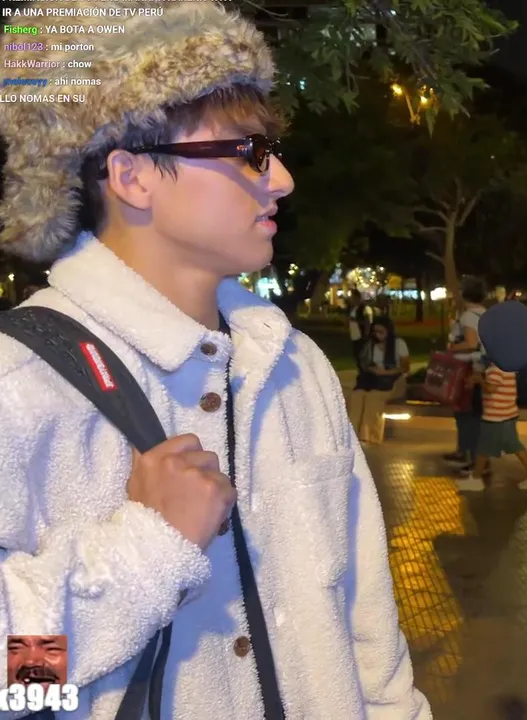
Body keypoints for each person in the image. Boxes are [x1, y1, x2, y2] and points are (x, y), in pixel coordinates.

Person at [0, 3, 429, 717]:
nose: (281, 178)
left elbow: (368, 630)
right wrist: (146, 551)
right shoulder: (20, 387)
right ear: (132, 176)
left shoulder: (295, 368)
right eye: (249, 150)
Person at [458, 360, 527, 491]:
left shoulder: (495, 370)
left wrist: (480, 380)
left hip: (496, 417)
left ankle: (476, 479)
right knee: (512, 445)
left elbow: (491, 388)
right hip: (506, 414)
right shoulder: (506, 367)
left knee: (484, 448)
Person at [443, 277, 488, 474]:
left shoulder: (468, 316)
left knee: (466, 414)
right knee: (471, 414)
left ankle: (472, 456)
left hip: (467, 369)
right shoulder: (484, 313)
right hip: (479, 367)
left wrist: (451, 348)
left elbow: (471, 343)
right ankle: (468, 452)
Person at [348, 316, 412, 444]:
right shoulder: (370, 345)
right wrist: (373, 370)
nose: (378, 335)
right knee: (356, 396)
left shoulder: (398, 344)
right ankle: (351, 435)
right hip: (373, 381)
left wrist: (385, 372)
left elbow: (405, 368)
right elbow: (365, 364)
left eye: (381, 331)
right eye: (375, 331)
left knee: (373, 398)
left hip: (393, 382)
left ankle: (369, 435)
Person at [347, 295, 373, 366]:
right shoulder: (353, 309)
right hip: (354, 336)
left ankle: (364, 370)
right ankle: (361, 370)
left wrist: (366, 334)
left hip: (361, 336)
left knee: (362, 355)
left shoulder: (365, 309)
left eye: (353, 298)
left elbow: (367, 322)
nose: (351, 300)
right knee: (356, 355)